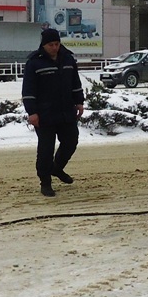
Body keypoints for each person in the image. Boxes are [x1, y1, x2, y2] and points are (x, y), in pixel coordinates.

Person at [22, 28, 85, 197]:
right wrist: (32, 112)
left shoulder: (68, 59)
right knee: (45, 149)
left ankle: (56, 168)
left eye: (57, 44)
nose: (55, 47)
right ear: (44, 45)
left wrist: (79, 101)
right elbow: (28, 90)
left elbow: (75, 82)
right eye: (51, 44)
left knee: (71, 142)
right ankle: (45, 182)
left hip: (66, 111)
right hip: (44, 114)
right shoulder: (34, 63)